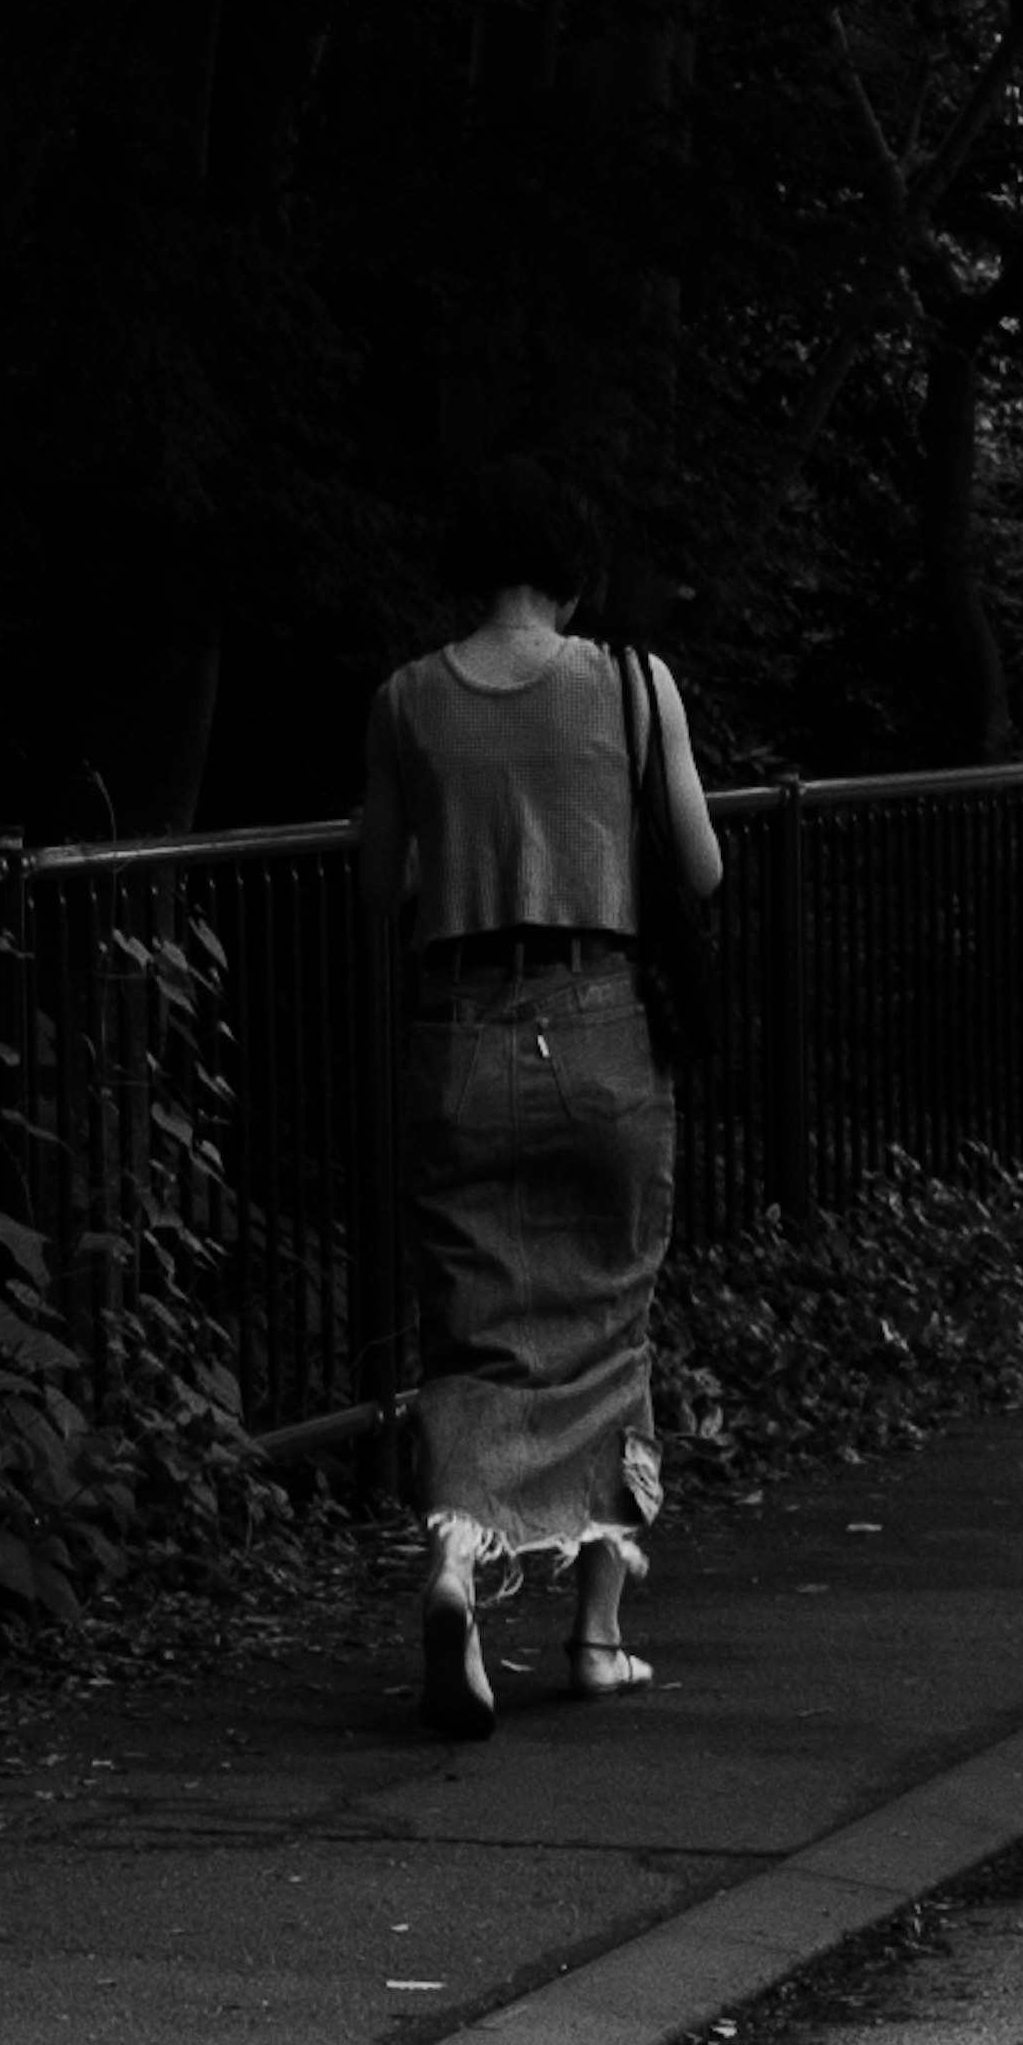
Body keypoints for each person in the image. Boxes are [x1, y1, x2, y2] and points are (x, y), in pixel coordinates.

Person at [358, 448, 724, 1742]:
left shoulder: (407, 698)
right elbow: (703, 860)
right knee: (611, 1313)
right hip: (605, 1024)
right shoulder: (633, 683)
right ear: (574, 569)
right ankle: (596, 1635)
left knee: (475, 1322)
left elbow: (378, 887)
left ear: (463, 566)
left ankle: (457, 1554)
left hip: (462, 1030)